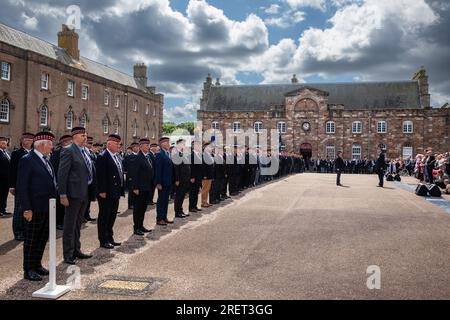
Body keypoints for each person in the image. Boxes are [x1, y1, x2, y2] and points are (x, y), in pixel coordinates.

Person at [16, 132, 57, 281]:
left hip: (47, 207)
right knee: (31, 240)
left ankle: (37, 264)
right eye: (50, 144)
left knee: (42, 238)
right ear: (42, 145)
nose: (52, 147)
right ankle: (28, 269)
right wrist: (27, 208)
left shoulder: (46, 160)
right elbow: (22, 186)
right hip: (34, 208)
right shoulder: (27, 160)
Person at [58, 127, 94, 265]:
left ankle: (76, 250)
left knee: (78, 224)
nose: (85, 137)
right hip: (72, 194)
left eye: (85, 135)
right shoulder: (68, 150)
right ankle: (68, 254)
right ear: (74, 137)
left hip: (83, 193)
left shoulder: (85, 151)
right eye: (82, 135)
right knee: (69, 225)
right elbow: (62, 174)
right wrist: (62, 194)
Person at [96, 134, 125, 248]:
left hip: (115, 191)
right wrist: (102, 191)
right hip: (106, 192)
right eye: (117, 143)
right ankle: (103, 240)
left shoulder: (117, 156)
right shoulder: (103, 156)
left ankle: (110, 237)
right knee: (104, 216)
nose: (119, 145)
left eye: (119, 143)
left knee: (112, 216)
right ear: (109, 144)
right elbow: (100, 175)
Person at [9, 133, 34, 241]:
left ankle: (26, 230)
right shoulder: (17, 153)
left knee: (28, 209)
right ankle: (18, 232)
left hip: (32, 186)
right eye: (26, 139)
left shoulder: (33, 153)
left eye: (30, 139)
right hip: (20, 185)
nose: (29, 141)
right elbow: (13, 170)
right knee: (19, 210)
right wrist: (12, 185)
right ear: (22, 140)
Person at [129, 138, 154, 236]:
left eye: (149, 145)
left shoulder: (148, 157)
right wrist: (135, 187)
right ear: (141, 146)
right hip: (139, 188)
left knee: (143, 208)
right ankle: (136, 228)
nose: (148, 146)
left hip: (147, 187)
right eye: (146, 145)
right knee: (138, 209)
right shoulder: (137, 157)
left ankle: (141, 225)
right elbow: (134, 173)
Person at [49, 134, 72, 230]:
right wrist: (57, 182)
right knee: (59, 204)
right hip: (60, 182)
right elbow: (54, 167)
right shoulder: (57, 152)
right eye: (70, 142)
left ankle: (63, 221)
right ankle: (58, 222)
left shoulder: (71, 151)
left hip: (69, 182)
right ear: (65, 143)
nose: (72, 144)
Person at [155, 136, 174, 226]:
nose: (168, 144)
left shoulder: (168, 153)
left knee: (166, 200)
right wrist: (158, 182)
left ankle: (164, 217)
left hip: (168, 181)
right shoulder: (160, 154)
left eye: (168, 142)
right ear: (161, 144)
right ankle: (159, 218)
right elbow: (158, 169)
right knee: (161, 200)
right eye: (166, 143)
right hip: (162, 182)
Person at [173, 139, 191, 218]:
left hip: (185, 178)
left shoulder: (183, 153)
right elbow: (176, 168)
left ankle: (180, 210)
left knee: (182, 196)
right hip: (180, 179)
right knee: (179, 196)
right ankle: (178, 212)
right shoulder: (177, 154)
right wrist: (177, 179)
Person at [189, 141, 203, 213]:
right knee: (192, 192)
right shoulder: (191, 155)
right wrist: (192, 177)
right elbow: (191, 167)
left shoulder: (199, 154)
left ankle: (195, 206)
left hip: (198, 177)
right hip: (194, 177)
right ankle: (191, 207)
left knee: (196, 192)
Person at [124, 142, 139, 210]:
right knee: (131, 191)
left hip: (137, 176)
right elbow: (127, 167)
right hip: (131, 177)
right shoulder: (129, 157)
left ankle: (135, 203)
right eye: (135, 147)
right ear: (132, 148)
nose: (137, 148)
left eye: (137, 147)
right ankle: (130, 204)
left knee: (137, 191)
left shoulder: (139, 156)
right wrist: (129, 176)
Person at [0, 136, 11, 217]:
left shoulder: (6, 152)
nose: (5, 144)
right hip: (0, 178)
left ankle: (3, 210)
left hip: (6, 179)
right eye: (3, 142)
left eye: (5, 142)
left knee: (4, 195)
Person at [201, 142, 214, 208]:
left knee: (207, 189)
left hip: (209, 175)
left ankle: (205, 201)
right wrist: (204, 175)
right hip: (206, 175)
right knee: (205, 189)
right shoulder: (204, 154)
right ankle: (203, 202)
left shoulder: (209, 154)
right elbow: (203, 166)